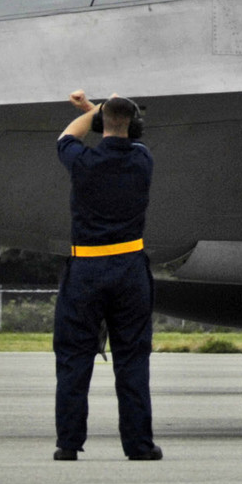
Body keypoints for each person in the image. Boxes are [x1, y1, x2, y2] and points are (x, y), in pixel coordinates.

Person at [52, 89, 160, 461]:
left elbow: (67, 136)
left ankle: (68, 444)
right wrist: (105, 113)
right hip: (129, 268)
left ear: (102, 126)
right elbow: (123, 133)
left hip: (86, 269)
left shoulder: (81, 162)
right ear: (134, 126)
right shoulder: (143, 160)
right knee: (132, 358)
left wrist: (91, 110)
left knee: (73, 358)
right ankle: (139, 446)